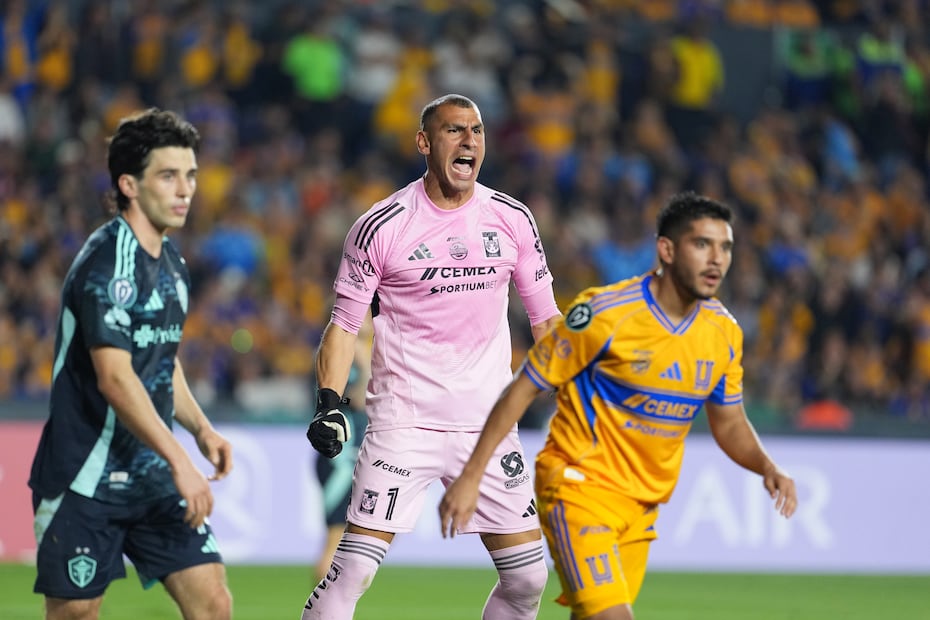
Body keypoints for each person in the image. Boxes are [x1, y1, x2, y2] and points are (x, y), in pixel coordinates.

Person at [439, 191, 798, 620]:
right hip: (578, 487)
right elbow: (523, 387)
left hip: (641, 509)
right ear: (666, 249)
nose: (716, 259)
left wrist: (767, 467)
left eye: (725, 247)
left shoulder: (723, 332)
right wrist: (471, 476)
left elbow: (730, 423)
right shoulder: (603, 315)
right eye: (702, 244)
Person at [302, 93, 562, 620]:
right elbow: (344, 326)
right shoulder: (382, 225)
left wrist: (582, 388)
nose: (469, 140)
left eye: (477, 131)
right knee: (354, 570)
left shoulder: (512, 219)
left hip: (487, 425)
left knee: (529, 576)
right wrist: (328, 402)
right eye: (454, 131)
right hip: (405, 422)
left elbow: (548, 323)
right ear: (424, 142)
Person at [28, 108, 233, 620]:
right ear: (130, 185)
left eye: (190, 175)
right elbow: (116, 378)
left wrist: (202, 429)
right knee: (76, 612)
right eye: (168, 176)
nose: (185, 189)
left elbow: (161, 358)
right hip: (85, 474)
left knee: (213, 605)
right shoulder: (107, 264)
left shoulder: (172, 264)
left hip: (150, 476)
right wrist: (181, 461)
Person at [311, 315, 372, 584]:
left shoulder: (331, 349)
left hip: (346, 450)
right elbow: (359, 399)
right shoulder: (354, 350)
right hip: (343, 455)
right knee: (336, 539)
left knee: (347, 540)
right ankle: (324, 607)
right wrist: (368, 366)